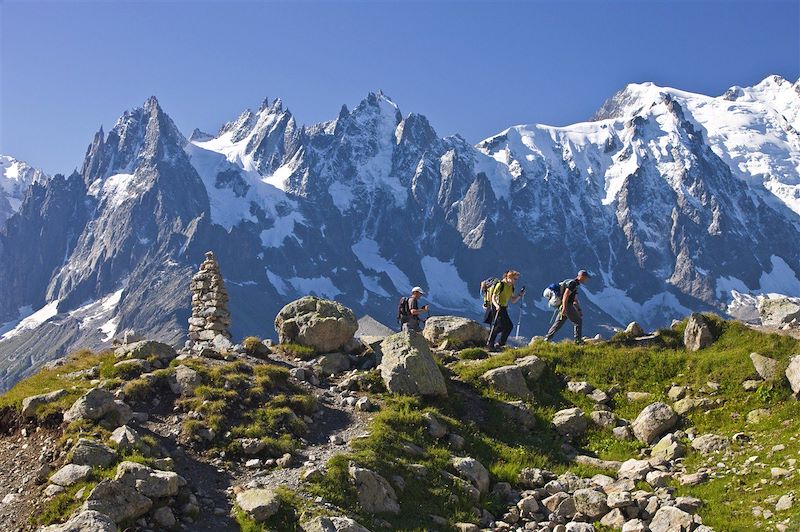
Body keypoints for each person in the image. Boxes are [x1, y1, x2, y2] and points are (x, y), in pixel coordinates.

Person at [545, 270, 590, 344]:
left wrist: (578, 309)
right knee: (578, 321)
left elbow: (574, 299)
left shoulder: (574, 284)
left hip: (564, 305)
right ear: (581, 276)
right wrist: (565, 307)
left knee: (559, 323)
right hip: (567, 305)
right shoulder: (573, 284)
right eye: (585, 278)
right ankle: (578, 340)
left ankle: (547, 338)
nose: (586, 279)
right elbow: (566, 295)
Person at [487, 270, 525, 351]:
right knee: (500, 326)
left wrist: (520, 295)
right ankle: (490, 343)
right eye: (515, 279)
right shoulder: (500, 285)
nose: (515, 281)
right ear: (509, 277)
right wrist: (497, 306)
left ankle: (500, 343)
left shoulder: (511, 287)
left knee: (509, 326)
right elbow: (493, 297)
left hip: (503, 307)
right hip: (496, 306)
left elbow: (513, 300)